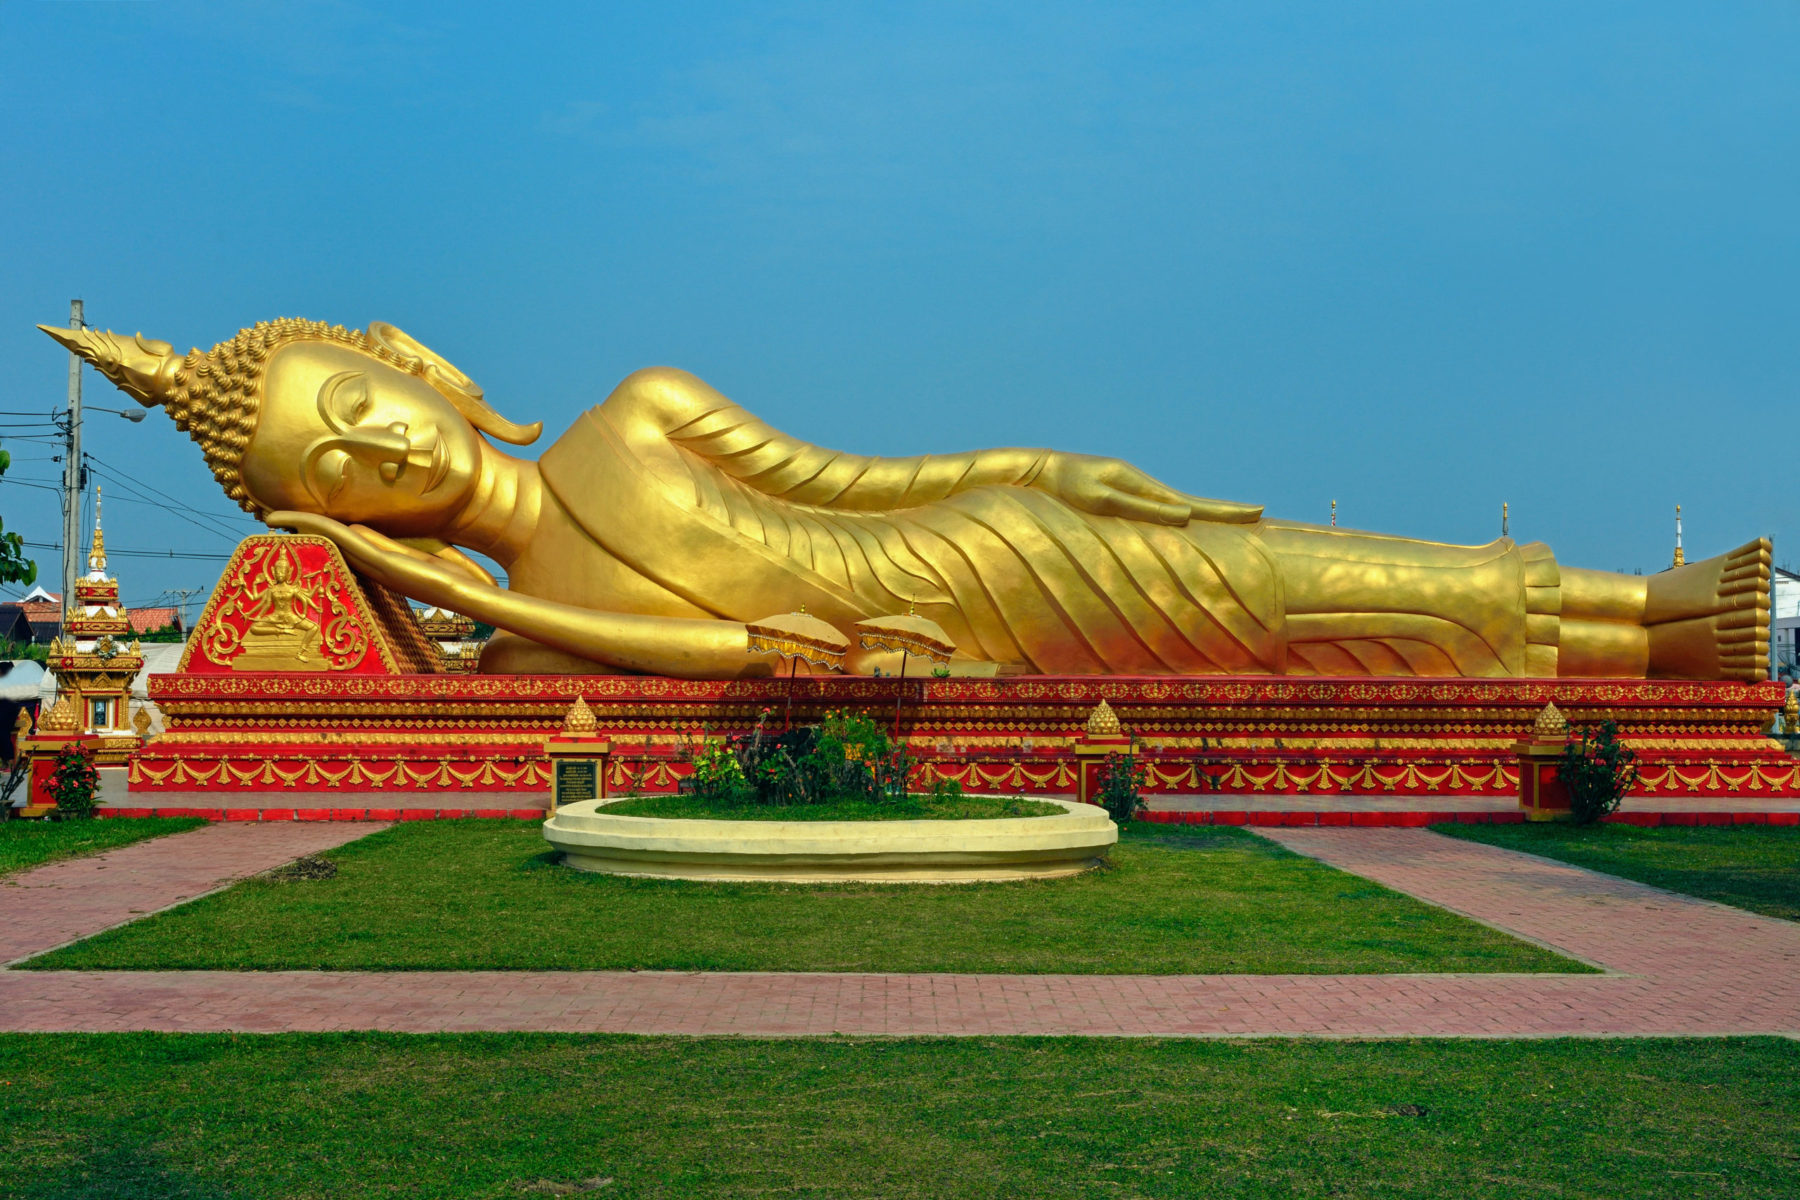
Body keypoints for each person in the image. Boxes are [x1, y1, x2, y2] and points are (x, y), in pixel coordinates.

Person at [42, 319, 1770, 680]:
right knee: (1301, 639)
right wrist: (465, 597)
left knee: (1287, 564)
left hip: (990, 545)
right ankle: (1659, 654)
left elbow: (864, 481)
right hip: (935, 637)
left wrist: (1041, 467)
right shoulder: (562, 608)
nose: (380, 455)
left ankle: (1661, 608)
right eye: (332, 477)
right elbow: (736, 656)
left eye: (359, 408)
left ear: (410, 361)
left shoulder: (631, 412)